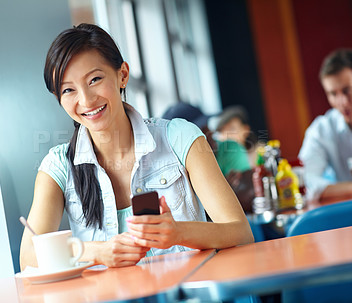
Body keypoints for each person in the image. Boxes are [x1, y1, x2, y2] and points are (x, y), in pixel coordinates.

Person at [19, 23, 253, 270]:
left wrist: (179, 232)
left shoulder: (181, 137)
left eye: (95, 79)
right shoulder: (57, 167)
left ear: (122, 75)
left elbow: (240, 232)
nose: (86, 100)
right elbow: (28, 258)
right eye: (68, 90)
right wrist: (96, 252)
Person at [162, 102, 255, 213]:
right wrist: (223, 189)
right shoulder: (171, 171)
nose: (209, 132)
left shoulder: (230, 148)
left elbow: (247, 192)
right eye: (198, 130)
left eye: (206, 125)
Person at [299, 49, 352, 202]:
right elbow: (306, 181)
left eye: (347, 90)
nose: (342, 102)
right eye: (333, 94)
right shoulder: (322, 129)